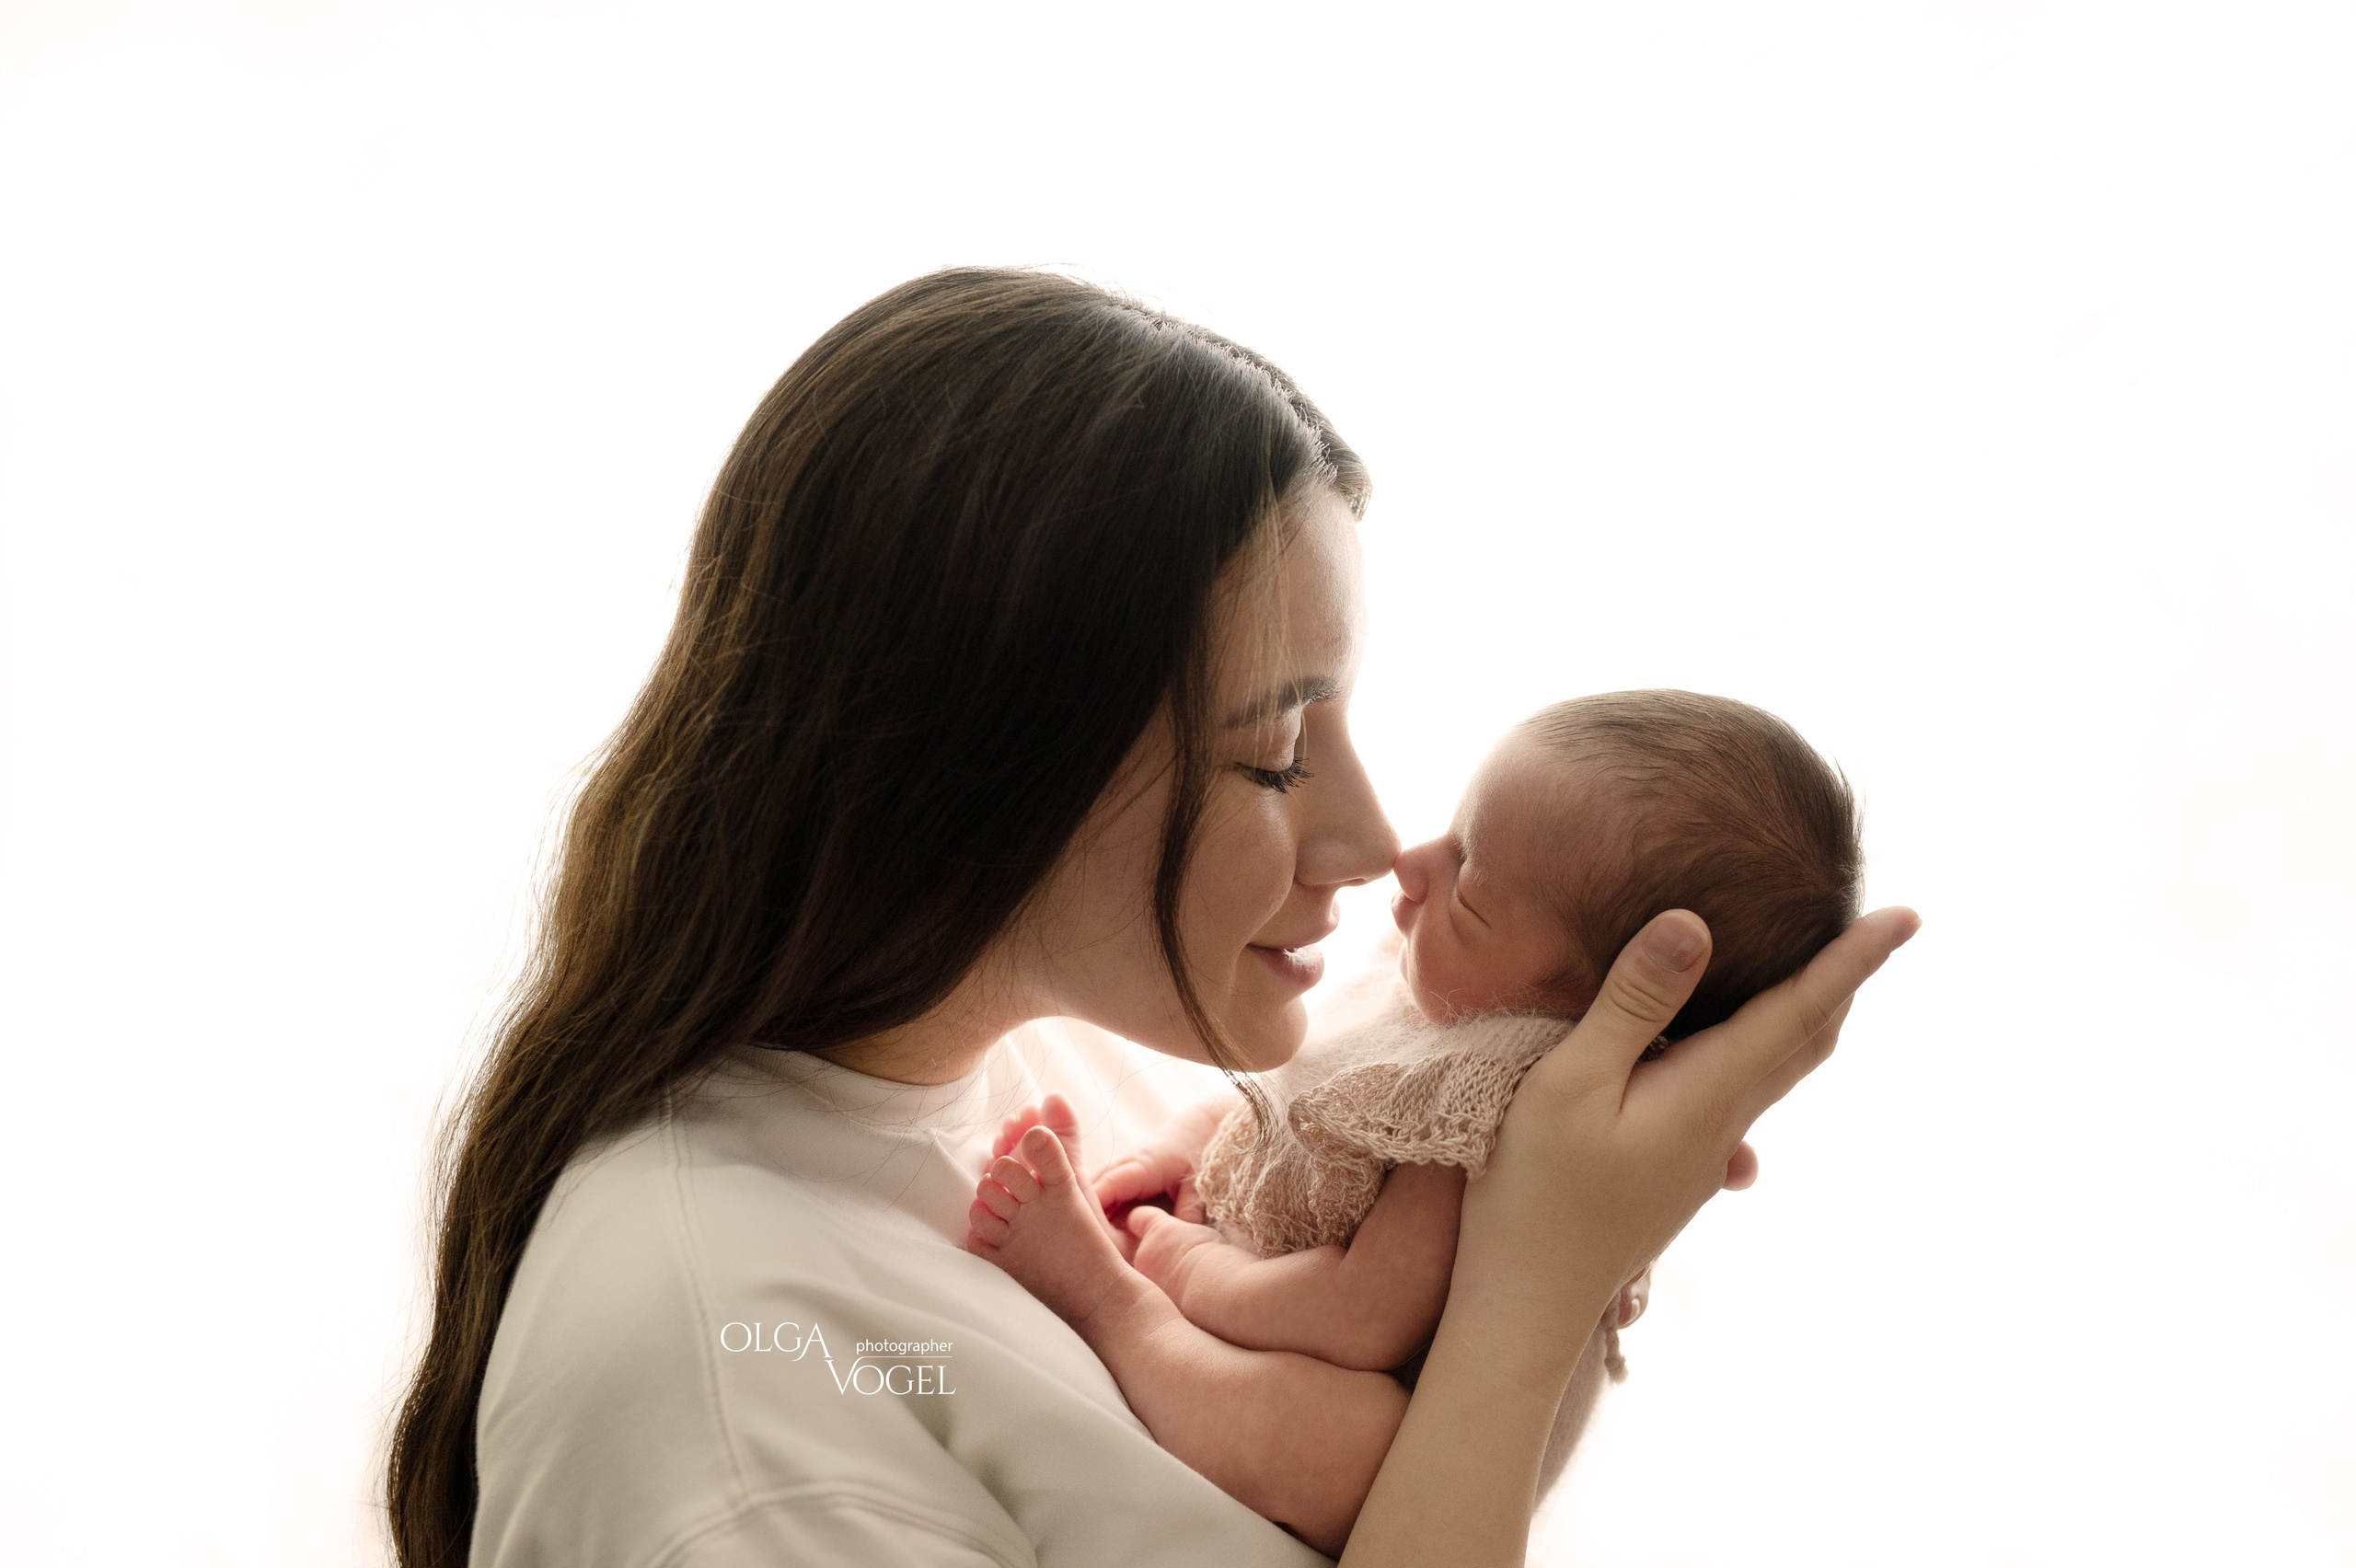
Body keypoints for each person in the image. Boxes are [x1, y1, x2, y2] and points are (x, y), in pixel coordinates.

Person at [384, 265, 1919, 1568]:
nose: (1376, 839)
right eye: (1272, 751)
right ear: (985, 757)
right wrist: (1533, 1299)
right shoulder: (730, 1398)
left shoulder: (1077, 1076)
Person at [966, 690, 1865, 1552]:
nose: (1409, 864)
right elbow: (1295, 1094)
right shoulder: (1424, 989)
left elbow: (1361, 1317)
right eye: (1454, 832)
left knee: (1341, 1445)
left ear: (1585, 1022)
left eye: (1467, 889)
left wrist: (1177, 1260)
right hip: (1272, 1305)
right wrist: (1177, 1151)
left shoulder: (1492, 1109)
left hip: (1392, 1455)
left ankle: (1106, 1298)